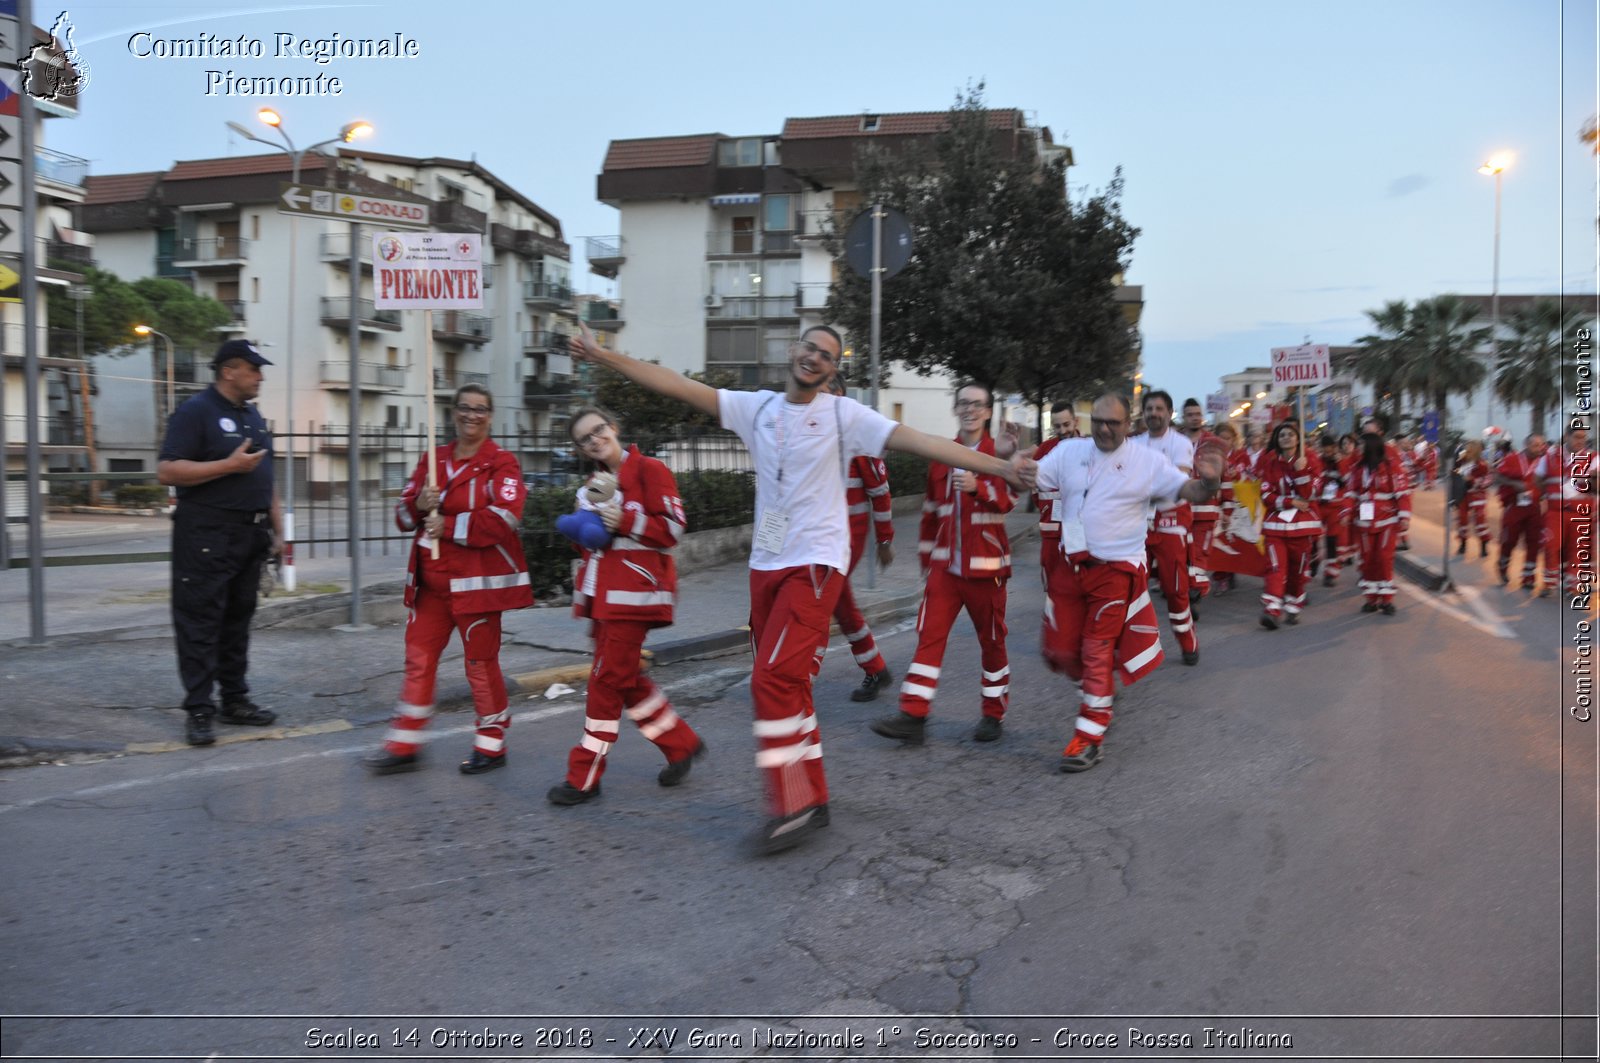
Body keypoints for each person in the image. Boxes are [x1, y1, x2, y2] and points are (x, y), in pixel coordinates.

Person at [567, 323, 1034, 854]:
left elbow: (922, 443)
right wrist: (604, 356)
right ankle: (814, 795)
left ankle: (793, 807)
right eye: (809, 348)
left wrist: (1003, 468)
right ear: (793, 351)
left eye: (828, 356)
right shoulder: (757, 408)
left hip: (815, 565)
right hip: (767, 564)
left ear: (834, 371)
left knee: (771, 681)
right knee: (789, 686)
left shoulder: (843, 415)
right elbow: (673, 382)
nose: (815, 358)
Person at [1035, 394, 1223, 772]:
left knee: (1098, 646)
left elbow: (1192, 491)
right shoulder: (1069, 452)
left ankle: (1089, 737)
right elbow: (1027, 474)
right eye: (1099, 421)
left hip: (1117, 568)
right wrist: (1006, 463)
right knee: (1057, 650)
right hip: (1071, 564)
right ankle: (1097, 686)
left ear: (1127, 423)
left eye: (1114, 423)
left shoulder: (1149, 461)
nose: (1105, 428)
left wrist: (1212, 480)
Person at [366, 384, 533, 775]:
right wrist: (418, 504)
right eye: (464, 407)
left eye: (480, 409)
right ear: (453, 412)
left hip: (475, 586)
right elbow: (403, 518)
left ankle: (492, 745)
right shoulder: (433, 459)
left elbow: (507, 517)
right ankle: (405, 744)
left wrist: (451, 525)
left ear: (491, 416)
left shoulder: (502, 463)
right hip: (429, 585)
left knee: (479, 663)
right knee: (418, 661)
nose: (471, 415)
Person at [547, 406, 705, 803]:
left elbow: (673, 529)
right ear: (581, 448)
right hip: (603, 598)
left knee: (604, 683)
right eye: (585, 438)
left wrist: (625, 523)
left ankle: (584, 776)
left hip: (634, 598)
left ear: (613, 428)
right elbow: (591, 541)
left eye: (598, 430)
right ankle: (679, 743)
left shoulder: (649, 469)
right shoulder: (594, 483)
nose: (595, 439)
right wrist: (582, 528)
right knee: (624, 678)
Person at [872, 384, 1015, 745]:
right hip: (944, 569)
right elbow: (931, 513)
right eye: (963, 403)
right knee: (928, 636)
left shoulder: (997, 454)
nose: (969, 409)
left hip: (987, 570)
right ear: (956, 408)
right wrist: (926, 560)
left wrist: (977, 488)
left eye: (977, 404)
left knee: (992, 642)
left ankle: (993, 713)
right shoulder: (941, 454)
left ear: (987, 412)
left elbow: (1009, 500)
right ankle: (913, 715)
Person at [157, 339, 283, 747]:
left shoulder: (252, 415)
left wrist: (278, 531)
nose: (260, 376)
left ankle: (235, 700)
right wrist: (228, 466)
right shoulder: (196, 412)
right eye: (254, 369)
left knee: (237, 621)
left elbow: (268, 479)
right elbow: (168, 470)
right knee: (200, 621)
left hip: (250, 533)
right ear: (229, 371)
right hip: (207, 534)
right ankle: (199, 709)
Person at [823, 377, 897, 702]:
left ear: (840, 395)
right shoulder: (814, 433)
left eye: (826, 391)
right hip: (822, 537)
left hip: (847, 539)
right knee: (839, 603)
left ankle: (793, 679)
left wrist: (885, 541)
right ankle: (876, 669)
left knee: (818, 600)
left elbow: (880, 493)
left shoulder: (858, 434)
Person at [1129, 390, 1200, 665]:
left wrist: (1140, 489)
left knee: (1175, 589)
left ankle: (1187, 639)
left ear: (1169, 414)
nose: (1154, 413)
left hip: (1170, 523)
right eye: (1149, 409)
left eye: (1159, 409)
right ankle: (1128, 650)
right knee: (1130, 587)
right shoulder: (1133, 443)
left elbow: (1177, 482)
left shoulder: (1180, 443)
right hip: (1137, 525)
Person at [1256, 420, 1322, 628]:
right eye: (1282, 434)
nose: (1286, 437)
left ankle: (1294, 603)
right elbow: (1265, 493)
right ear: (1277, 439)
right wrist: (1288, 501)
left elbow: (1311, 494)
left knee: (1298, 570)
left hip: (1302, 527)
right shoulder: (1270, 463)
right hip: (1276, 525)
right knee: (1275, 567)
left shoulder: (1310, 460)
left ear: (1298, 439)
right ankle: (1272, 609)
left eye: (1290, 434)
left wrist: (1301, 472)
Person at [1345, 427, 1411, 614]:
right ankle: (1371, 598)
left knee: (1384, 558)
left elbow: (1402, 493)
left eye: (1361, 444)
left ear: (1371, 446)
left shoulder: (1391, 467)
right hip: (1364, 519)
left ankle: (1386, 599)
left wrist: (1404, 516)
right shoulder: (1357, 469)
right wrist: (1346, 512)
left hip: (1386, 519)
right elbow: (1351, 492)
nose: (1357, 448)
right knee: (1367, 559)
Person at [1535, 423, 1594, 596]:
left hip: (1580, 513)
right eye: (1577, 437)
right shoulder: (1550, 456)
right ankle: (1549, 582)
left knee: (1577, 549)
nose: (1581, 441)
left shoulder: (1592, 457)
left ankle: (1572, 586)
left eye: (1584, 437)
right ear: (1566, 436)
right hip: (1555, 512)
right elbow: (1538, 479)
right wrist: (1550, 492)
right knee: (1550, 545)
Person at [1495, 433, 1546, 589]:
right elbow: (1498, 476)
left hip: (1534, 507)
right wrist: (1513, 483)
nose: (1538, 448)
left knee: (1534, 542)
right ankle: (1503, 565)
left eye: (1541, 445)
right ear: (1526, 444)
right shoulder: (1512, 458)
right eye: (1535, 445)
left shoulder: (1543, 461)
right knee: (1509, 540)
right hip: (1515, 505)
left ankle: (1528, 577)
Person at [1315, 434, 1353, 587]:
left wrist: (1346, 510)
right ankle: (1312, 564)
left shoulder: (1342, 463)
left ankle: (1330, 573)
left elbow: (1348, 485)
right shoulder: (1318, 461)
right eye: (1325, 450)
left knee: (1332, 541)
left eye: (1330, 450)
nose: (1327, 453)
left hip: (1335, 507)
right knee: (1311, 539)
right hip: (1319, 505)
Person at [1452, 440, 1493, 559]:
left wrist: (1474, 481)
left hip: (1477, 494)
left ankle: (1484, 545)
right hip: (1464, 494)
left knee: (1480, 520)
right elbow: (1456, 473)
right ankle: (1463, 543)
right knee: (1462, 519)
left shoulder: (1483, 464)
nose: (1467, 449)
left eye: (1470, 448)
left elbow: (1488, 480)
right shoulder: (1463, 460)